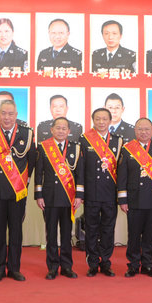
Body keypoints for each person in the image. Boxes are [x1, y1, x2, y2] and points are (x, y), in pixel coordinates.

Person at [0, 99, 37, 282]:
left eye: (10, 114)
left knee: (16, 230)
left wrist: (22, 181)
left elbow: (31, 160)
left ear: (16, 115)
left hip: (18, 190)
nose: (7, 117)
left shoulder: (27, 133)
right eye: (3, 113)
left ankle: (14, 268)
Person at [117, 118, 152, 278]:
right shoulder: (127, 150)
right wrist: (123, 200)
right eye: (140, 129)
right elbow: (122, 176)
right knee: (133, 235)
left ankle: (148, 265)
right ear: (135, 130)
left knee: (149, 235)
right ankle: (133, 265)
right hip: (134, 199)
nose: (144, 132)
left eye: (147, 129)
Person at [34, 117, 84, 279]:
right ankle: (53, 267)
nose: (61, 131)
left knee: (66, 234)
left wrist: (79, 196)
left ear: (68, 131)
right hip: (49, 197)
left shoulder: (76, 148)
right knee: (51, 234)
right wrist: (39, 195)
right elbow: (39, 174)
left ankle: (67, 266)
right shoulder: (43, 147)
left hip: (69, 198)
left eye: (64, 128)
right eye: (58, 128)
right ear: (52, 130)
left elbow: (80, 174)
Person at [79, 108, 123, 277]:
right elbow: (81, 169)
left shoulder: (118, 141)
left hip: (110, 193)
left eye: (105, 119)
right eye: (98, 119)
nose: (101, 122)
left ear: (110, 121)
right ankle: (92, 263)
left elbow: (121, 170)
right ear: (93, 120)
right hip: (91, 192)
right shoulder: (84, 139)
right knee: (91, 229)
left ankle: (105, 262)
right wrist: (81, 192)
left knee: (108, 229)